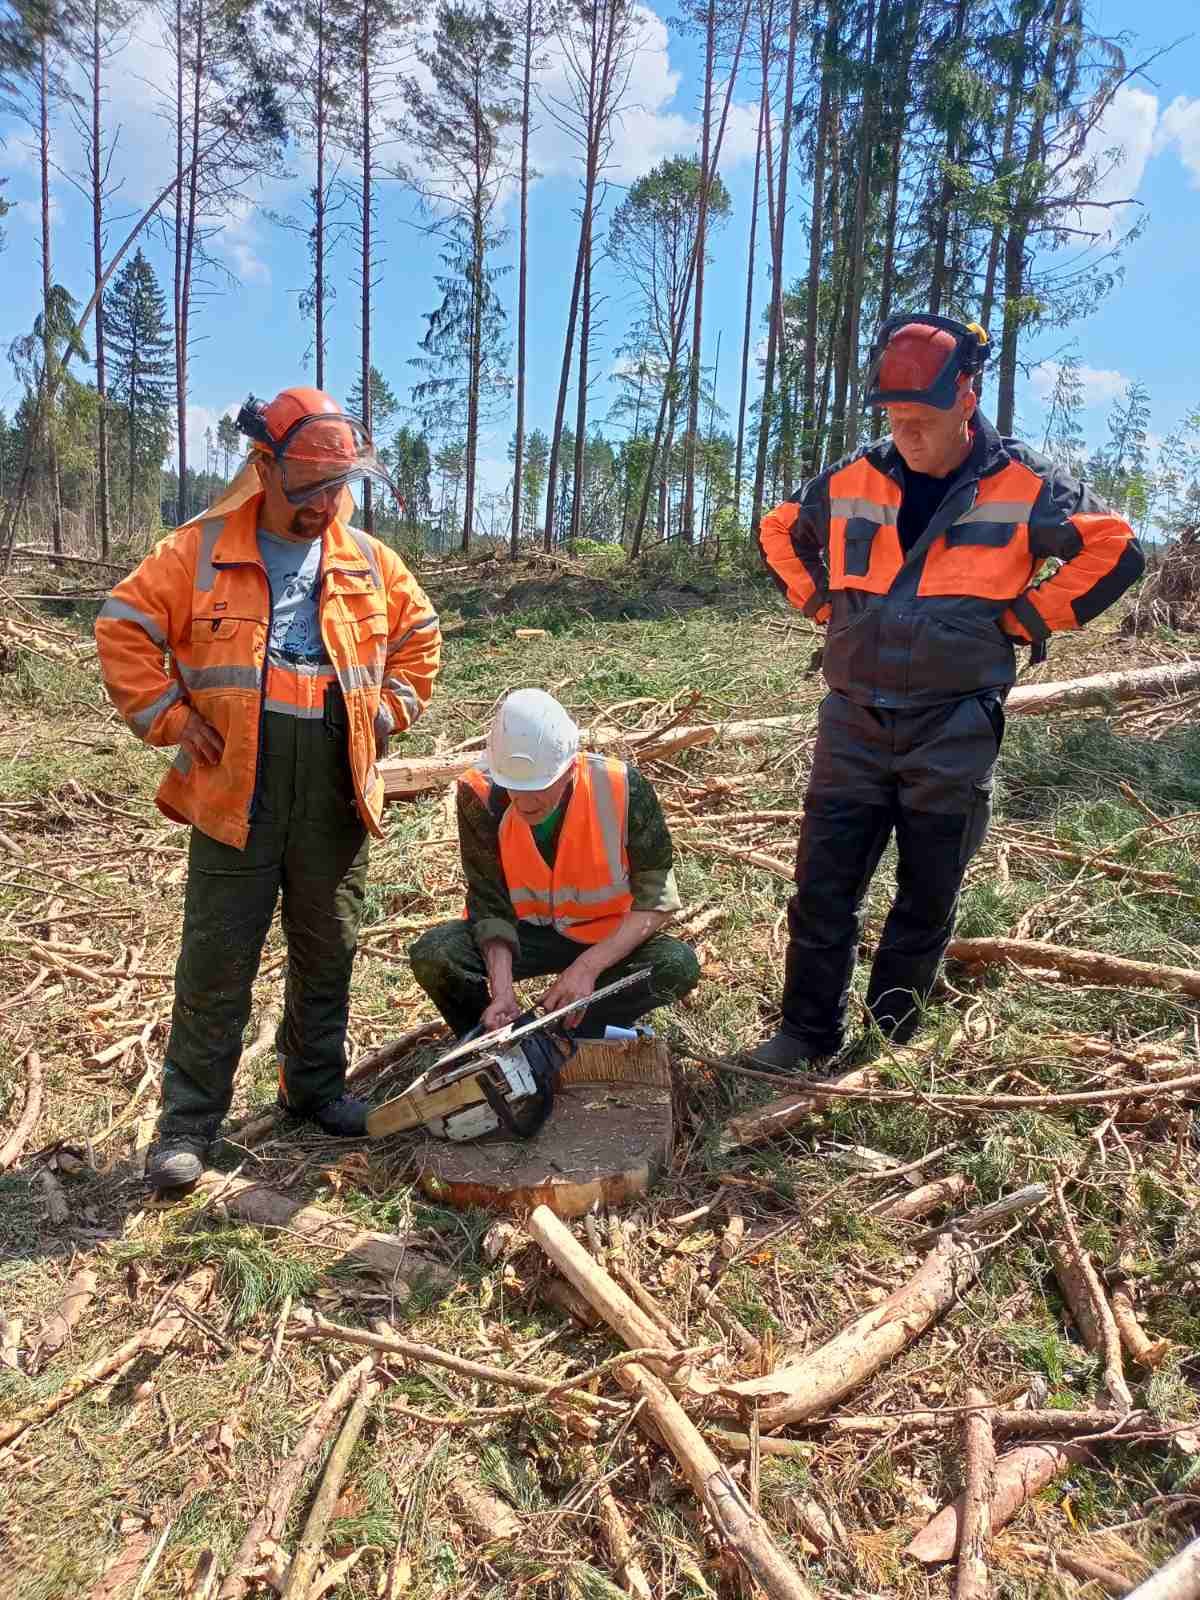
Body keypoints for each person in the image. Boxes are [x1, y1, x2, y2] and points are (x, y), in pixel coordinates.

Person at [753, 314, 1145, 1071]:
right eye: (895, 421)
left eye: (921, 421)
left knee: (926, 895)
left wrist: (1029, 616)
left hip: (955, 726)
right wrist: (819, 603)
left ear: (965, 399)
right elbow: (776, 530)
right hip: (854, 720)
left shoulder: (1024, 482)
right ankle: (806, 1033)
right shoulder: (851, 480)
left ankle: (890, 1037)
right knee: (823, 890)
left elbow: (1115, 547)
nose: (907, 436)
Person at [95, 386, 441, 1187]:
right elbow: (122, 627)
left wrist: (387, 714)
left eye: (337, 487)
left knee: (330, 947)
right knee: (218, 957)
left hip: (334, 781)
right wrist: (174, 721)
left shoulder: (368, 561)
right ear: (264, 466)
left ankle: (313, 1091)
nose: (326, 503)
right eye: (311, 486)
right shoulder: (199, 550)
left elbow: (421, 638)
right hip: (233, 782)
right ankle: (186, 1126)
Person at [410, 689, 700, 1038]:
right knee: (436, 954)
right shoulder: (481, 795)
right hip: (525, 933)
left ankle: (578, 1032)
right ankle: (492, 1041)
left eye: (539, 786)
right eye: (512, 787)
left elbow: (656, 901)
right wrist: (501, 990)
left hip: (604, 935)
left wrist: (588, 968)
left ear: (569, 767)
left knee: (675, 964)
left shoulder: (622, 788)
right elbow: (489, 903)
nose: (524, 801)